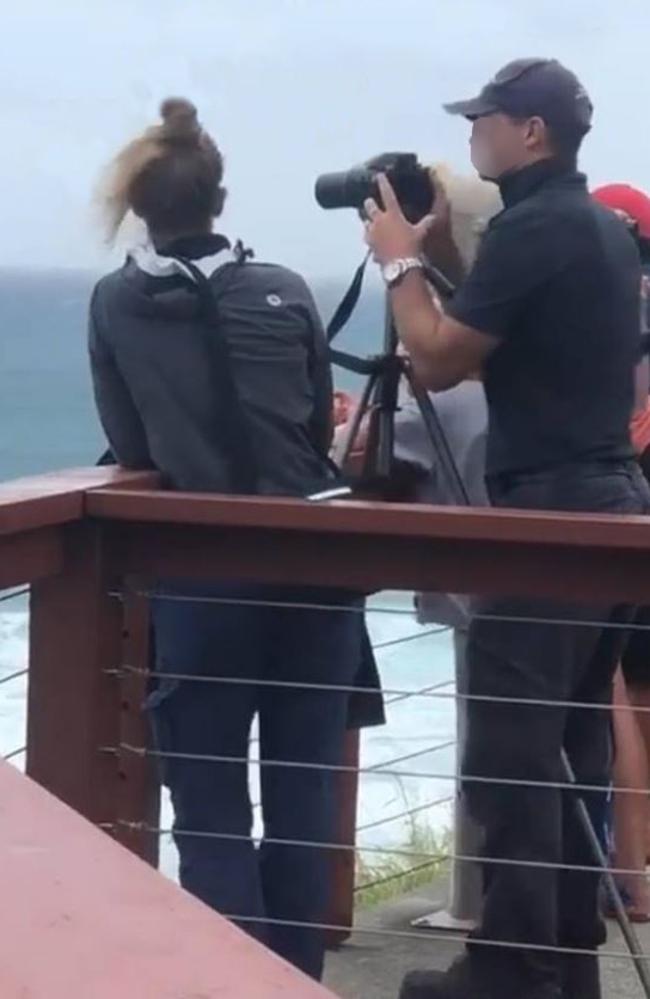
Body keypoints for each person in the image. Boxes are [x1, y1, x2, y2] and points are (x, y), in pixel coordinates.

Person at [362, 58, 650, 999]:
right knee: (572, 746)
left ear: (532, 132)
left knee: (512, 753)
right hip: (608, 506)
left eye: (484, 119)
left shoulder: (535, 228)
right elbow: (519, 332)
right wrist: (443, 257)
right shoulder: (599, 230)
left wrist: (400, 261)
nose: (471, 136)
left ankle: (513, 974)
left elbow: (441, 362)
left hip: (546, 514)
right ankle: (563, 964)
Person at [88, 97, 374, 981]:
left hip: (207, 567)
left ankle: (234, 981)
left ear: (141, 209)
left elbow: (131, 445)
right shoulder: (285, 286)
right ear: (221, 198)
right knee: (302, 790)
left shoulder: (118, 302)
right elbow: (309, 417)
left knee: (208, 800)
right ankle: (296, 976)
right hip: (316, 556)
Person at [591, 184, 650, 922]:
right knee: (641, 696)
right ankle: (638, 871)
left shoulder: (609, 309)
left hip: (620, 492)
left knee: (612, 697)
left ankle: (628, 870)